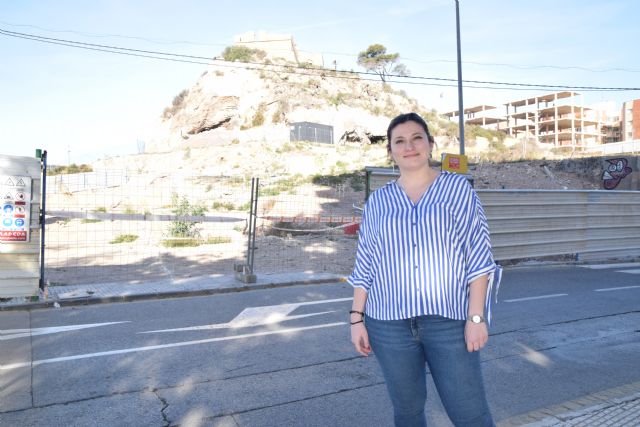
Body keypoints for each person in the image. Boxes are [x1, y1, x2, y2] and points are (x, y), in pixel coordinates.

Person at [348, 112, 501, 427]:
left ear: (430, 144)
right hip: (388, 324)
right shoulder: (378, 202)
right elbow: (366, 262)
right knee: (408, 412)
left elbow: (478, 256)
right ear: (391, 151)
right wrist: (356, 319)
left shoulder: (457, 190)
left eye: (417, 138)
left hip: (449, 322)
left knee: (470, 413)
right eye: (399, 141)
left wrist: (476, 317)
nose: (409, 146)